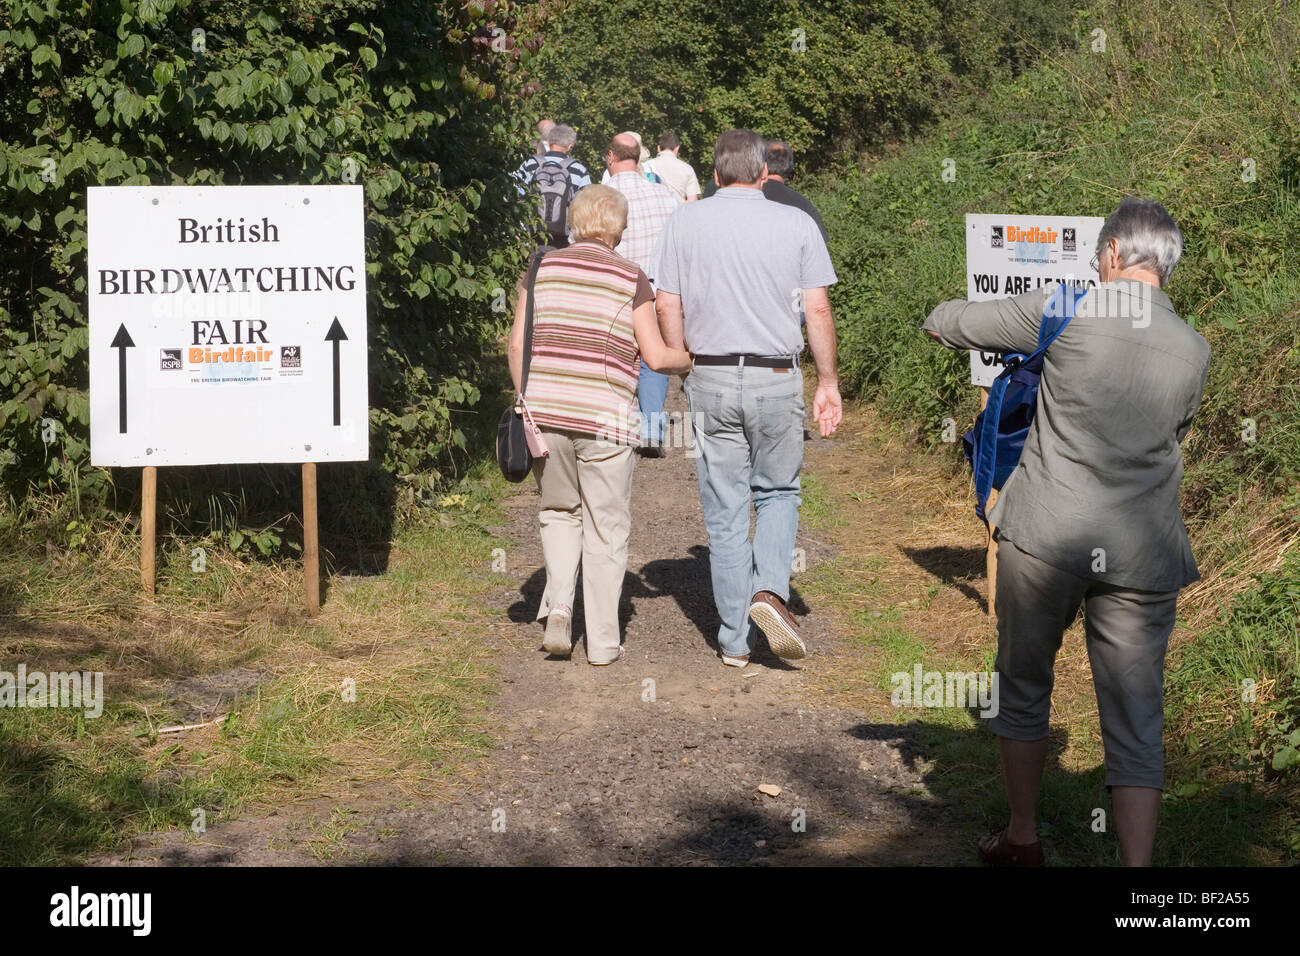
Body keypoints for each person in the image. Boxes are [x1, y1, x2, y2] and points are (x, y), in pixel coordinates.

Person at [921, 197, 1210, 867]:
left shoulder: (1065, 308)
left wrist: (937, 319)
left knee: (1023, 685)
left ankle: (1022, 836)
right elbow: (1176, 440)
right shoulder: (1194, 350)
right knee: (1137, 712)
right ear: (1165, 265)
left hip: (1047, 535)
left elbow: (954, 325)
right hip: (1144, 551)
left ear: (1112, 254)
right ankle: (1138, 875)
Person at [653, 129, 842, 668]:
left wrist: (684, 357)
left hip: (709, 376)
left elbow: (668, 301)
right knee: (779, 492)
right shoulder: (796, 223)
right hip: (776, 376)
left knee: (726, 510)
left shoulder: (684, 221)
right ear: (764, 173)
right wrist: (827, 383)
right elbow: (818, 310)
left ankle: (735, 642)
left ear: (713, 175)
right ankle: (770, 593)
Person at [508, 185, 692, 665]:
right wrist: (690, 357)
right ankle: (605, 642)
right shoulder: (632, 277)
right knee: (606, 527)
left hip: (545, 413)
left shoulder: (540, 267)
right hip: (607, 419)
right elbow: (655, 356)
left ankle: (561, 608)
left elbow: (516, 346)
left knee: (558, 513)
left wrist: (525, 401)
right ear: (619, 229)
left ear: (574, 221)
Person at [604, 133, 683, 457]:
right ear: (638, 158)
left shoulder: (600, 197)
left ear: (611, 156)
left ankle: (612, 427)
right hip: (652, 288)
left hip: (611, 286)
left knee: (611, 355)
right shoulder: (664, 195)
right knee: (653, 360)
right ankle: (651, 428)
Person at [515, 123, 592, 247]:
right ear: (570, 146)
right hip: (564, 241)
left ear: (549, 142)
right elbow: (586, 207)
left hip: (531, 238)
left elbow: (514, 196)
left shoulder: (530, 164)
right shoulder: (578, 169)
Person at [762, 140, 828, 242]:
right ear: (790, 166)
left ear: (763, 164)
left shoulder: (748, 197)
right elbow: (819, 246)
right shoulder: (803, 204)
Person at [649, 132, 702, 202]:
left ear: (658, 148)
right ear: (677, 148)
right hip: (678, 211)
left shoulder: (646, 165)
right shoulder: (687, 169)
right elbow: (692, 200)